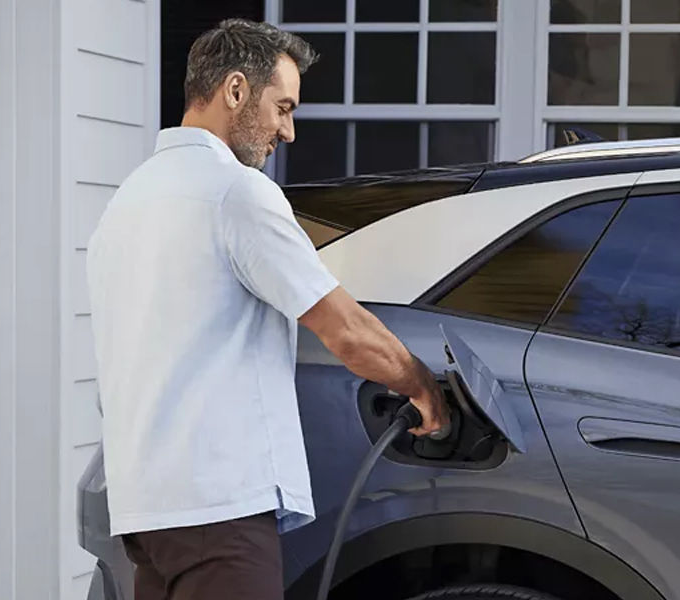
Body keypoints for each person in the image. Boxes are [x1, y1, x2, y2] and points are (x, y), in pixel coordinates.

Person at [85, 18, 450, 600]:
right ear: (235, 90)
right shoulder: (236, 192)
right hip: (219, 512)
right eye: (283, 106)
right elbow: (345, 330)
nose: (289, 131)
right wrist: (423, 385)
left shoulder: (127, 204)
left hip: (146, 516)